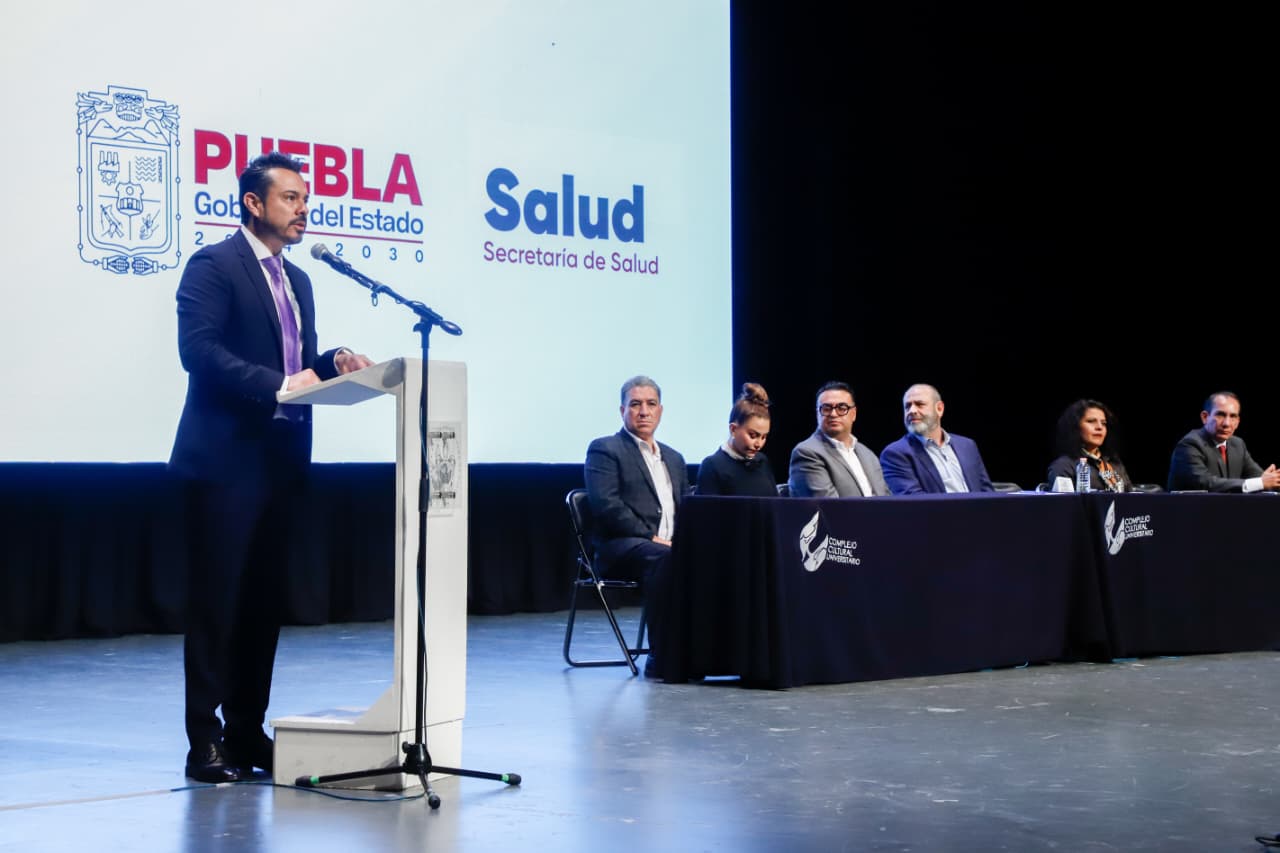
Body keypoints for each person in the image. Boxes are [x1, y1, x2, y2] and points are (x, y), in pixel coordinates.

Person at [169, 152, 373, 783]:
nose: (303, 209)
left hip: (282, 463)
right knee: (217, 604)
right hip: (225, 463)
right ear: (253, 203)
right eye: (291, 198)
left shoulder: (298, 280)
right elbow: (199, 351)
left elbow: (296, 358)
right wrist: (278, 384)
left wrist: (333, 360)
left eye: (305, 199)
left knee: (263, 604)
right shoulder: (214, 265)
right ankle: (204, 741)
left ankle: (246, 732)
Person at [584, 376, 690, 677]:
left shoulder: (674, 458)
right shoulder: (605, 450)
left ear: (660, 410)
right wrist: (653, 537)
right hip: (622, 548)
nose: (644, 411)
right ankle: (663, 657)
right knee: (665, 557)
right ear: (622, 411)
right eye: (635, 404)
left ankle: (704, 653)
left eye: (651, 404)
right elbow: (607, 507)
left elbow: (686, 507)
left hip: (668, 547)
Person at [879, 383, 994, 494]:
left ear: (939, 408)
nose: (912, 410)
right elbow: (914, 501)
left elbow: (987, 492)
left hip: (978, 508)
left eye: (920, 404)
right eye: (907, 406)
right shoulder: (895, 454)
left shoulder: (967, 446)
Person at [788, 381, 889, 497]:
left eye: (842, 408)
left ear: (854, 414)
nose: (833, 414)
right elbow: (827, 505)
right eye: (826, 408)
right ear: (817, 414)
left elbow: (886, 498)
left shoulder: (868, 454)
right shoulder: (806, 453)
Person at [1167, 391, 1280, 492]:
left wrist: (1273, 480)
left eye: (1233, 416)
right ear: (1205, 417)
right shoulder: (1190, 444)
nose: (1227, 423)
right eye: (1220, 415)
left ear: (1237, 422)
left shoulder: (1238, 444)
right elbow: (1206, 483)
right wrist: (1260, 483)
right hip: (1190, 508)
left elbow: (1260, 477)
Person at [697, 382, 779, 497]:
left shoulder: (762, 461)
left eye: (763, 437)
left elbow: (774, 504)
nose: (758, 444)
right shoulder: (712, 466)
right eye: (753, 435)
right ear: (733, 429)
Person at [1046, 399, 1133, 492]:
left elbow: (1131, 496)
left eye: (1103, 423)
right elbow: (1064, 500)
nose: (1099, 427)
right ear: (1075, 427)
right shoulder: (1064, 466)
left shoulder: (1114, 463)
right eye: (1091, 421)